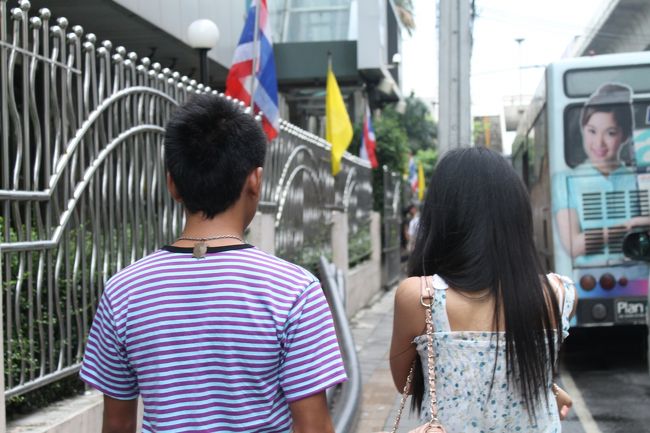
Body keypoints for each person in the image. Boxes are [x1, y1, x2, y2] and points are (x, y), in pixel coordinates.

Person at [80, 94, 347, 433]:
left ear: (172, 183)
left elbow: (117, 425)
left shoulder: (123, 292)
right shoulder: (295, 291)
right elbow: (314, 428)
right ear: (255, 180)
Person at [389, 147, 577, 432]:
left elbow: (407, 384)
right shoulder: (560, 292)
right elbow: (515, 365)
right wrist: (546, 388)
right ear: (518, 216)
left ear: (441, 217)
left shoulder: (421, 297)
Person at [554, 83, 648, 263]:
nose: (599, 143)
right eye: (592, 131)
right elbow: (574, 246)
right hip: (586, 277)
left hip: (641, 273)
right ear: (583, 129)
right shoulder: (564, 181)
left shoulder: (639, 179)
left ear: (624, 136)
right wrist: (627, 226)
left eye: (610, 133)